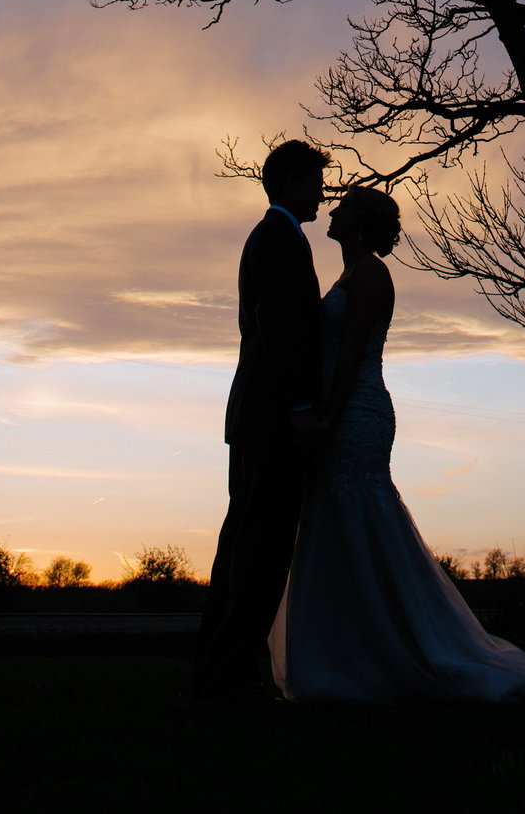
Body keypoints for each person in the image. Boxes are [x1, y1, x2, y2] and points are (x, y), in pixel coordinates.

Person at [269, 183, 525, 703]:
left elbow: (351, 353)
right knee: (331, 521)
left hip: (356, 412)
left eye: (344, 206)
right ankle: (347, 651)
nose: (333, 210)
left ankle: (401, 649)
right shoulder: (347, 275)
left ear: (363, 223)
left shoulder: (372, 274)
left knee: (362, 515)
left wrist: (328, 418)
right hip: (338, 407)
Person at [194, 137, 330, 700]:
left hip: (257, 413)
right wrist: (300, 410)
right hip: (270, 417)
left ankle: (223, 667)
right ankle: (231, 673)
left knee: (246, 542)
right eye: (315, 180)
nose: (322, 191)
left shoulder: (277, 238)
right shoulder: (278, 241)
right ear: (292, 181)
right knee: (261, 546)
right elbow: (279, 335)